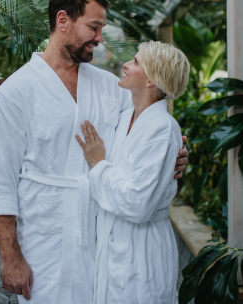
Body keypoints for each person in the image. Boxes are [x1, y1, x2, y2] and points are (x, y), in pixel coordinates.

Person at [0, 0, 189, 304]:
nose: (100, 38)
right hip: (43, 244)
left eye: (102, 28)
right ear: (63, 21)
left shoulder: (110, 88)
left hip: (102, 245)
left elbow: (138, 142)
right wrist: (10, 259)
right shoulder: (15, 93)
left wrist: (174, 159)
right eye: (94, 27)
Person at [75, 41, 190, 304]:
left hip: (142, 251)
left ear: (152, 80)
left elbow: (139, 205)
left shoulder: (161, 128)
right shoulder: (128, 116)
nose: (126, 64)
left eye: (136, 63)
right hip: (115, 247)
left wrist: (99, 163)